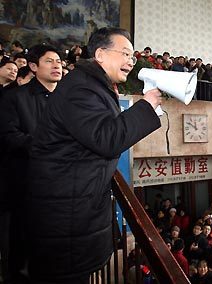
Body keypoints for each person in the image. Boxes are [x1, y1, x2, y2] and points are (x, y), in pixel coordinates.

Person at [24, 27, 162, 283]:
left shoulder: (89, 85)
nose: (131, 61)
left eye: (132, 56)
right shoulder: (82, 89)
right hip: (66, 222)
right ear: (100, 54)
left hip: (71, 213)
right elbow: (106, 139)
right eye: (125, 53)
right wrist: (147, 106)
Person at [0, 44, 63, 283]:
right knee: (22, 250)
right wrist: (45, 144)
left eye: (58, 61)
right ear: (34, 66)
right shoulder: (14, 98)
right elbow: (8, 137)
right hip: (25, 185)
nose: (57, 65)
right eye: (50, 61)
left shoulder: (68, 100)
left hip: (61, 186)